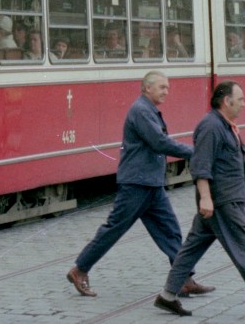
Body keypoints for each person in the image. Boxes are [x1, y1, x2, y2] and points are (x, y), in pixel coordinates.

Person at [67, 72, 214, 300]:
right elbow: (159, 142)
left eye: (168, 87)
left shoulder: (148, 110)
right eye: (162, 87)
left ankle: (183, 279)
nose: (166, 91)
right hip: (137, 183)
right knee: (114, 228)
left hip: (150, 183)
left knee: (170, 230)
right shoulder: (142, 111)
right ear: (147, 88)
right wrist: (196, 152)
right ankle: (79, 269)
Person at [153, 81, 245, 321]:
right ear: (226, 101)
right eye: (240, 99)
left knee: (190, 249)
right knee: (244, 249)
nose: (243, 104)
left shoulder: (224, 126)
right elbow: (200, 166)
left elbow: (235, 156)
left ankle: (167, 296)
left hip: (219, 202)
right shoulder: (211, 127)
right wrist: (206, 198)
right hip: (223, 202)